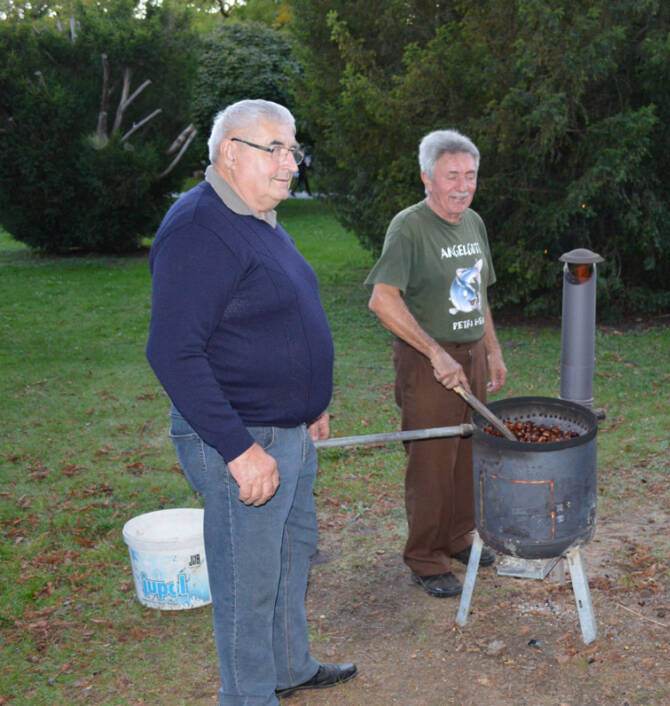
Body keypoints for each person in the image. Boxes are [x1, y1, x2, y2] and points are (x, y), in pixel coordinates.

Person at [146, 99, 357, 704]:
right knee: (248, 582)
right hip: (238, 437)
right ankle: (249, 695)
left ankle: (289, 667)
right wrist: (239, 450)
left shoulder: (255, 213)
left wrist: (309, 401)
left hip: (284, 429)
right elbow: (172, 352)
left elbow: (274, 312)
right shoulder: (199, 229)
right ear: (231, 152)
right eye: (277, 150)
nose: (292, 164)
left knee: (290, 556)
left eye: (294, 150)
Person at [365, 129, 508, 598]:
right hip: (426, 360)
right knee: (431, 461)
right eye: (452, 176)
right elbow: (382, 301)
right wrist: (435, 353)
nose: (462, 186)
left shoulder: (473, 222)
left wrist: (492, 349)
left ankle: (457, 538)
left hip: (471, 357)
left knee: (469, 452)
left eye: (470, 176)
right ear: (427, 178)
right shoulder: (409, 227)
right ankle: (425, 557)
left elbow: (478, 290)